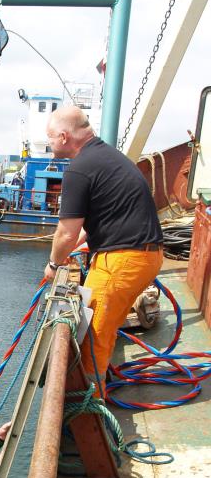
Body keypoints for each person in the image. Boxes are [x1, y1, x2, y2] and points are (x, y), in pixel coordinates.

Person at [43, 106, 164, 397]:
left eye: (49, 138)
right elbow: (93, 223)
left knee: (91, 334)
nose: (49, 144)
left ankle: (92, 407)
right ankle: (97, 387)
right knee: (103, 328)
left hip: (123, 260)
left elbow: (66, 232)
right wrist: (76, 247)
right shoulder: (107, 156)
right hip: (144, 255)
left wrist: (52, 264)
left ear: (63, 136)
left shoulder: (79, 169)